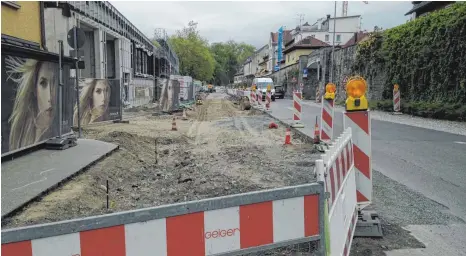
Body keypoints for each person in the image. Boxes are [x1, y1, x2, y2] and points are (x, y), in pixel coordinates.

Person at [5, 56, 58, 151]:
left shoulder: (61, 131)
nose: (50, 97)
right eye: (43, 83)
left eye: (54, 83)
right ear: (34, 89)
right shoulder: (20, 130)